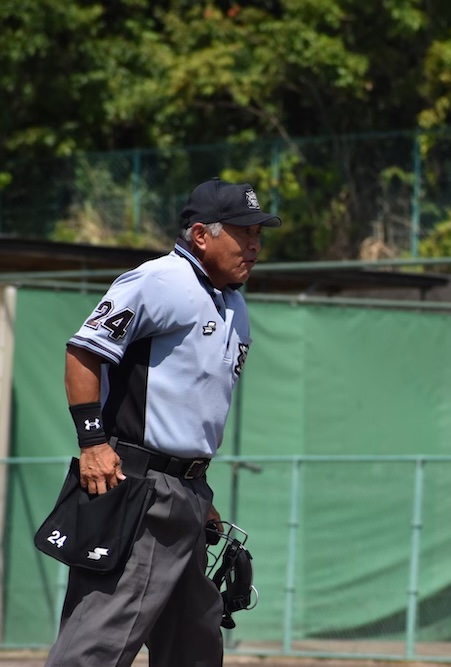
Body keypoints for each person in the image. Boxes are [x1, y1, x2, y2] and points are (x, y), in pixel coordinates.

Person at [45, 177, 281, 667]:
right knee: (98, 643)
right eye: (243, 232)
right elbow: (84, 352)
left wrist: (200, 493)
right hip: (138, 486)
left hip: (186, 493)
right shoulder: (158, 280)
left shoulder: (235, 303)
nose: (255, 245)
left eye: (259, 233)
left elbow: (192, 409)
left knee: (194, 642)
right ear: (201, 235)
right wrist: (93, 444)